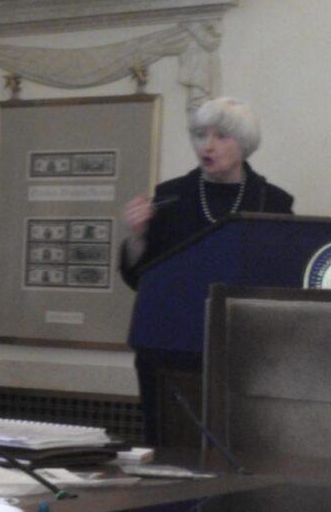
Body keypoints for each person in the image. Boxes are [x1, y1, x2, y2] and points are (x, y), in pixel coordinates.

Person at [119, 97, 293, 444]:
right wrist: (138, 236)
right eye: (200, 135)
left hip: (244, 350)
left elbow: (283, 276)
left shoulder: (272, 201)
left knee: (239, 447)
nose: (207, 145)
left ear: (243, 145)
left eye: (220, 136)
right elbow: (138, 276)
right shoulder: (170, 196)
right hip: (169, 345)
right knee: (173, 447)